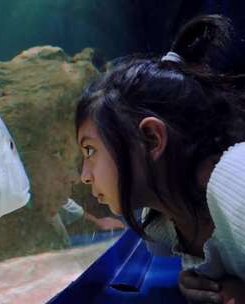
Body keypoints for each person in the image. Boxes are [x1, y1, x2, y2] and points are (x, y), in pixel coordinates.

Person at [75, 14, 245, 304]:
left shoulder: (235, 180)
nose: (84, 175)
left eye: (90, 150)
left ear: (152, 139)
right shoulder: (163, 224)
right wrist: (198, 283)